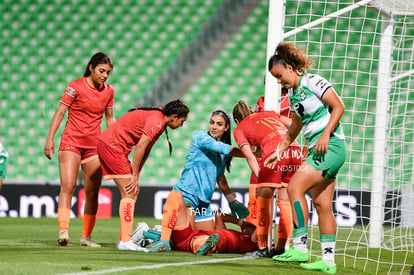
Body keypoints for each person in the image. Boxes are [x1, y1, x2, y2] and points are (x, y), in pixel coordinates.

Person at [265, 41, 346, 274]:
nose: (279, 81)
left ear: (290, 67)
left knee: (294, 187)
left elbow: (339, 107)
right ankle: (328, 263)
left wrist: (325, 135)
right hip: (320, 148)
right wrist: (280, 150)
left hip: (331, 146)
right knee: (322, 204)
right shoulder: (292, 94)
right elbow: (296, 126)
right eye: (276, 79)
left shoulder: (313, 81)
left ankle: (300, 246)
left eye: (280, 76)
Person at [146, 110, 248, 252]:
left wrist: (231, 199)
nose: (213, 127)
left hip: (203, 204)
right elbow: (224, 148)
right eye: (212, 122)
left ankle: (152, 233)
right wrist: (252, 154)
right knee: (183, 239)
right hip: (187, 196)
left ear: (226, 128)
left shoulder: (221, 155)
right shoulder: (201, 137)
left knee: (206, 238)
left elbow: (220, 178)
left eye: (219, 124)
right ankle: (149, 233)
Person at [97, 99, 189, 251]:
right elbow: (140, 147)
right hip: (112, 146)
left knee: (131, 193)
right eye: (182, 121)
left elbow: (146, 150)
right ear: (173, 116)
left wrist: (136, 176)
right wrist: (133, 176)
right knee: (129, 192)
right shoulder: (157, 122)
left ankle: (125, 239)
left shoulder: (160, 122)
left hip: (113, 146)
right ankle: (125, 241)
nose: (182, 125)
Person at [44, 52, 115, 247]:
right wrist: (50, 139)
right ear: (91, 68)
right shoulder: (74, 87)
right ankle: (63, 230)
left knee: (93, 192)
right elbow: (60, 112)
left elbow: (109, 118)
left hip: (93, 147)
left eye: (108, 72)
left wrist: (116, 140)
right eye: (102, 71)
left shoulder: (109, 91)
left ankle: (86, 237)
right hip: (71, 143)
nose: (105, 75)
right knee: (68, 187)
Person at [232, 100, 302, 257]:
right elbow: (292, 124)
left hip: (276, 152)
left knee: (263, 200)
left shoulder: (239, 129)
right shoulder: (269, 114)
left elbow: (250, 157)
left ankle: (263, 248)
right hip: (295, 150)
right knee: (285, 202)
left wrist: (260, 178)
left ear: (236, 120)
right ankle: (282, 247)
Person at [131, 190, 257, 255]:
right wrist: (241, 223)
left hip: (194, 240)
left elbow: (261, 229)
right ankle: (151, 233)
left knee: (202, 241)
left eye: (254, 227)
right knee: (179, 198)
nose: (252, 225)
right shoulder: (232, 233)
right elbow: (219, 216)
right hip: (190, 234)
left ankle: (150, 233)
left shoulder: (253, 243)